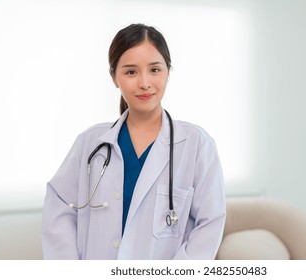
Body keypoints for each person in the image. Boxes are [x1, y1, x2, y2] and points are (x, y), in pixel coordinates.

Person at [41, 23, 226, 260]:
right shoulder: (89, 144)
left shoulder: (197, 144)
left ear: (168, 71)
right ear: (114, 77)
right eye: (131, 72)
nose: (144, 82)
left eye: (155, 70)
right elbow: (59, 206)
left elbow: (210, 223)